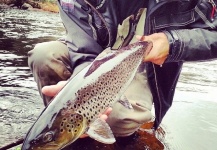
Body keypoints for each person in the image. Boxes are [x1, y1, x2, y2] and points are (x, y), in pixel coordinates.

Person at [28, 0, 217, 138]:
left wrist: (173, 43)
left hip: (146, 65)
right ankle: (60, 129)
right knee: (44, 55)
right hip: (95, 59)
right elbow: (84, 53)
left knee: (121, 118)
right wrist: (77, 95)